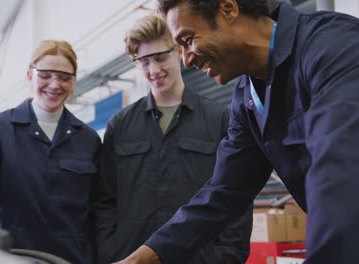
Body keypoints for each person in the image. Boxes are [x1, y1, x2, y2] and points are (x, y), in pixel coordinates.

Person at [114, 0, 359, 263]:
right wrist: (142, 258)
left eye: (188, 40)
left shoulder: (333, 46)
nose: (185, 60)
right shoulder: (246, 98)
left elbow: (340, 169)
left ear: (228, 9)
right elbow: (223, 192)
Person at [95, 15, 252, 264]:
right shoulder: (120, 125)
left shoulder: (219, 118)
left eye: (160, 58)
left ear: (179, 51)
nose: (154, 70)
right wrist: (109, 250)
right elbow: (105, 199)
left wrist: (227, 256)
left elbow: (237, 196)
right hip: (131, 257)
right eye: (144, 61)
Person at [0, 40, 101, 264]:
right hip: (9, 257)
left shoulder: (88, 139)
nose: (55, 84)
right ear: (30, 75)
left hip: (70, 259)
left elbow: (97, 210)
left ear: (74, 81)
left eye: (64, 77)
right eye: (45, 75)